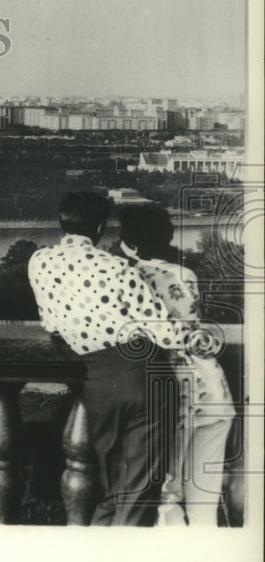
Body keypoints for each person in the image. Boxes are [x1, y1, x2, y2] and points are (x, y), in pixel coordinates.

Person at [27, 191, 204, 526]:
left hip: (96, 380)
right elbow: (165, 332)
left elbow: (50, 322)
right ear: (99, 226)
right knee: (138, 494)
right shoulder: (118, 268)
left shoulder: (38, 262)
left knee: (111, 491)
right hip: (142, 377)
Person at [118, 203, 235, 526]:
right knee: (204, 505)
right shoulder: (187, 275)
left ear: (131, 242)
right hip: (214, 389)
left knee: (167, 502)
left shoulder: (130, 277)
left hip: (174, 394)